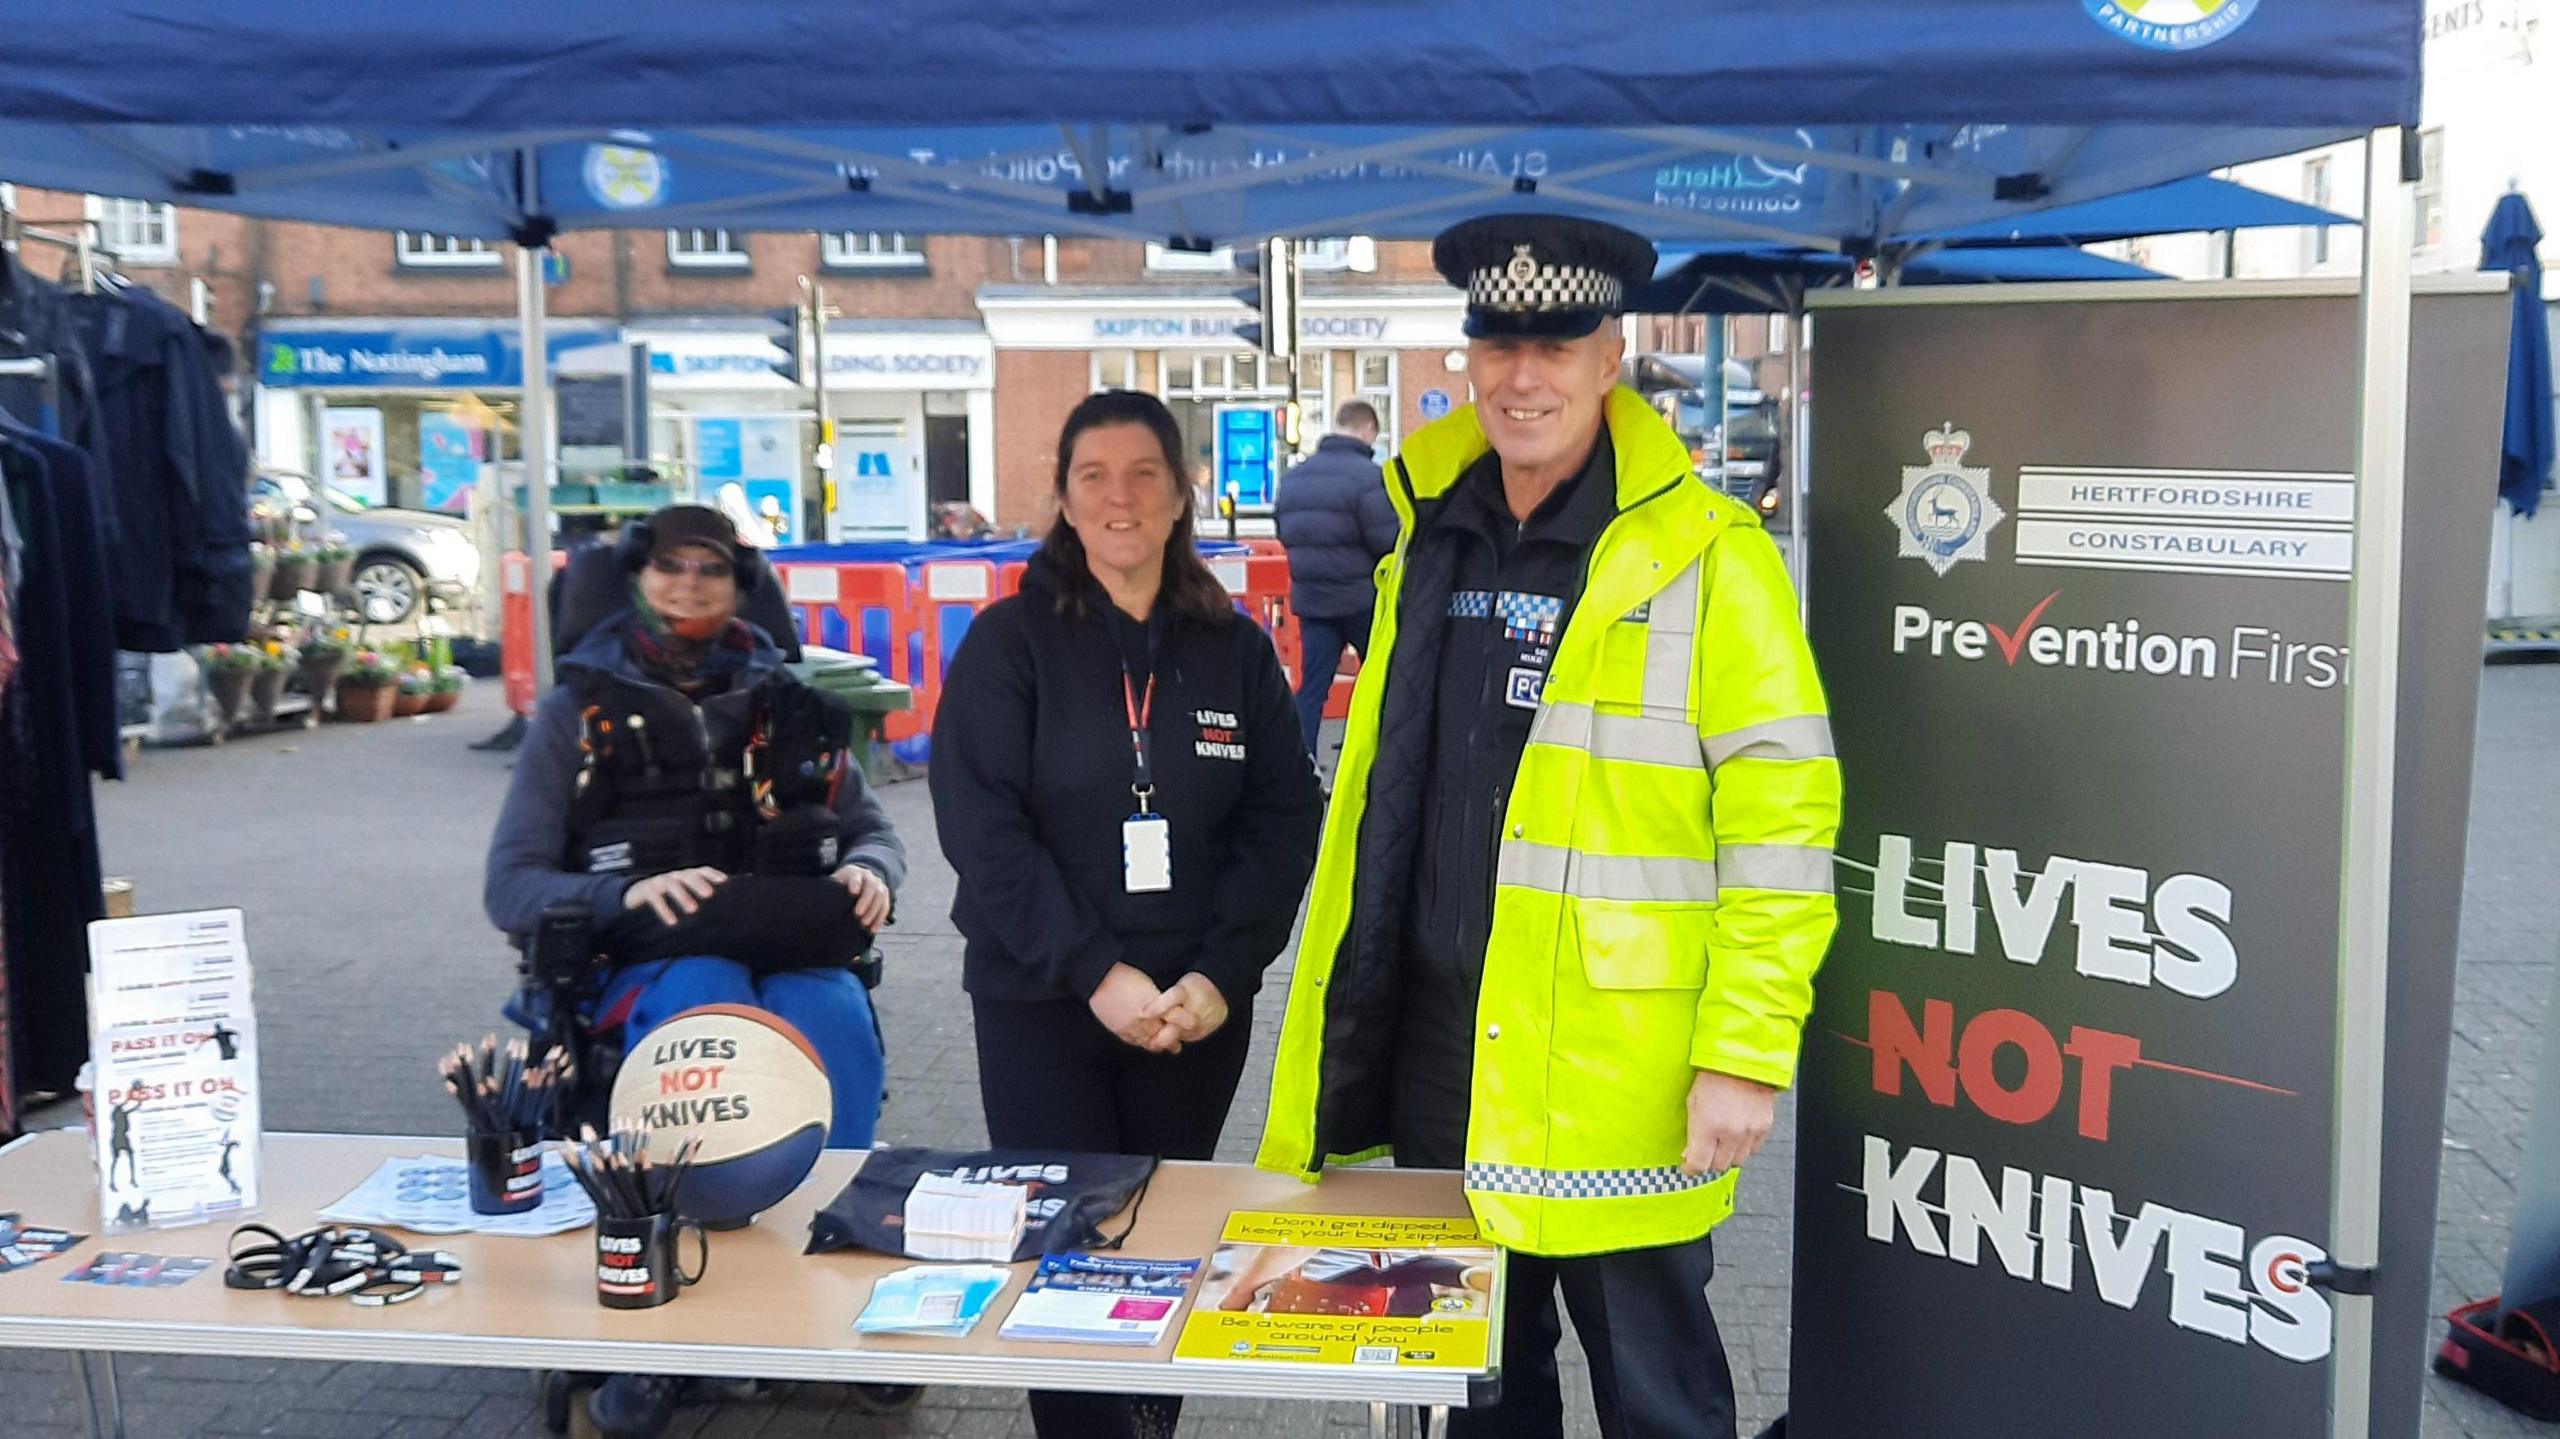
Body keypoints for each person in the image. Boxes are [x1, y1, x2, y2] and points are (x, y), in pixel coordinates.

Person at [1256, 215, 1842, 1439]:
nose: (1525, 373)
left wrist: (1744, 1051)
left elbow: (1784, 821)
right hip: (1440, 1050)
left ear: (1609, 355)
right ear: (1468, 354)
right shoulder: (1422, 527)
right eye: (1499, 340)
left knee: (1656, 1398)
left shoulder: (1708, 555)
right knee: (1479, 1388)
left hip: (1617, 1072)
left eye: (1557, 343)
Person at [931, 389, 1323, 1439]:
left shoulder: (1233, 648)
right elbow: (982, 830)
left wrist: (1219, 974)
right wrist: (1097, 972)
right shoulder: (1007, 644)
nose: (1119, 496)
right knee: (1068, 1246)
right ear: (1060, 496)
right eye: (1093, 475)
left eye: (1144, 472)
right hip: (1043, 998)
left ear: (1182, 491)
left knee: (1165, 1246)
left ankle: (1149, 1419)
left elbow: (1283, 820)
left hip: (1192, 1011)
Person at [483, 503, 906, 1439]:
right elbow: (511, 884)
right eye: (670, 566)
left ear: (739, 582)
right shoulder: (575, 714)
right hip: (641, 959)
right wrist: (625, 895)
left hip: (791, 944)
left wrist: (873, 872)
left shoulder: (790, 704)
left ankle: (828, 1286)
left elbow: (874, 826)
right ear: (638, 575)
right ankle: (680, 1332)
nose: (689, 583)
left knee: (828, 1012)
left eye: (710, 568)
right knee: (702, 1006)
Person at [1273, 400, 1397, 756]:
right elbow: (1386, 542)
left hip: (1313, 601)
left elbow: (1286, 532)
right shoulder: (1370, 478)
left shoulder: (1295, 478)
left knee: (1312, 687)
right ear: (1368, 429)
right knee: (1382, 681)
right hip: (1362, 601)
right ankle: (1377, 759)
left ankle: (1301, 764)